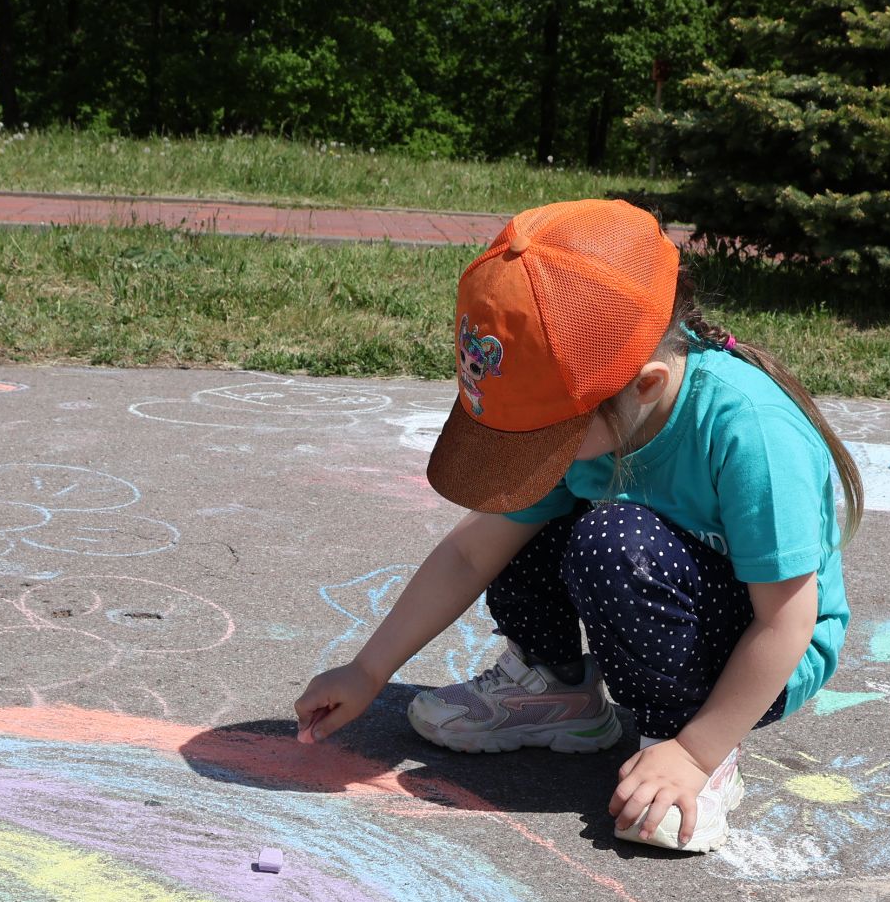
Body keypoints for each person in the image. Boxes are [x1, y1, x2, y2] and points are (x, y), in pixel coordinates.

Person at [293, 200, 861, 854]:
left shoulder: (752, 434)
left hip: (762, 650)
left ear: (644, 386)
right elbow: (471, 554)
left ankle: (678, 743)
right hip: (663, 591)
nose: (538, 450)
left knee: (613, 539)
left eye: (549, 434)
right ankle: (556, 688)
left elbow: (786, 621)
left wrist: (696, 752)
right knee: (531, 509)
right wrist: (368, 669)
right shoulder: (604, 414)